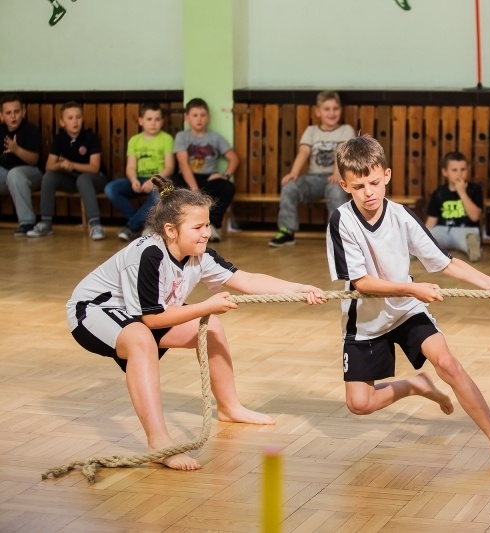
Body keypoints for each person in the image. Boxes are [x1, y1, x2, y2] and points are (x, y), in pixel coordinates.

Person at [67, 176, 327, 470]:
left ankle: (229, 408)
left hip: (139, 314)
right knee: (141, 339)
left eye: (207, 225)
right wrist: (206, 305)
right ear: (170, 230)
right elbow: (151, 319)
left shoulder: (199, 255)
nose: (206, 233)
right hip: (93, 311)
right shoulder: (149, 254)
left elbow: (247, 280)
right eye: (198, 227)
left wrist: (298, 289)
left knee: (211, 326)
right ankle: (159, 442)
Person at [326, 134, 490, 476]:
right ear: (344, 185)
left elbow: (445, 263)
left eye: (373, 182)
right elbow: (362, 284)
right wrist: (412, 288)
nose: (368, 192)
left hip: (406, 310)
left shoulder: (402, 216)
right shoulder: (341, 221)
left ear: (386, 175)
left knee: (449, 364)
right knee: (359, 404)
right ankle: (415, 385)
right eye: (358, 186)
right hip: (366, 321)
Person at [269, 91, 355, 247]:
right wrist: (294, 173)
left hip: (338, 177)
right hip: (314, 178)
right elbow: (304, 152)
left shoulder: (346, 130)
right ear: (318, 111)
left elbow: (343, 153)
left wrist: (337, 173)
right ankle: (287, 231)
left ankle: (338, 235)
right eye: (327, 109)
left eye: (335, 108)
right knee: (289, 187)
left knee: (336, 190)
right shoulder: (311, 131)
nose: (332, 113)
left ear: (341, 110)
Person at [27, 101, 108, 240]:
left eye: (78, 117)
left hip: (95, 179)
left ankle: (96, 225)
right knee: (49, 177)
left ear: (83, 119)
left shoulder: (90, 138)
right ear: (62, 122)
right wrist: (62, 165)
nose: (75, 121)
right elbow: (49, 166)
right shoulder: (60, 139)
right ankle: (46, 223)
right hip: (72, 180)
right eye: (70, 118)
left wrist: (73, 164)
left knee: (83, 179)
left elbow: (94, 168)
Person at [104, 102, 175, 242]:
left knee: (161, 194)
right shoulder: (135, 141)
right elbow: (130, 167)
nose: (153, 123)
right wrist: (133, 180)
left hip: (160, 180)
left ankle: (131, 226)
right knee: (110, 189)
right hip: (139, 179)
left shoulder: (166, 139)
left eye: (157, 119)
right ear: (141, 121)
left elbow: (169, 167)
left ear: (162, 122)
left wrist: (153, 180)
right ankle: (143, 225)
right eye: (149, 119)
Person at [174, 98, 239, 243]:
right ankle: (181, 228)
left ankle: (212, 225)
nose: (199, 119)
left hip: (208, 178)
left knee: (228, 188)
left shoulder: (215, 137)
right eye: (195, 115)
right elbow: (183, 164)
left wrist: (225, 175)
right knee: (173, 186)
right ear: (187, 118)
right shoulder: (182, 136)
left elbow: (234, 158)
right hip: (187, 177)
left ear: (208, 118)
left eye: (203, 115)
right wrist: (195, 190)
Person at [425, 151, 483, 262]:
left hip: (465, 230)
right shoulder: (439, 192)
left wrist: (462, 193)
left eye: (463, 170)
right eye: (454, 170)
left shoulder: (474, 190)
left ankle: (473, 248)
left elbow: (475, 217)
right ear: (445, 172)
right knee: (429, 236)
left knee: (470, 237)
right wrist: (422, 235)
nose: (459, 174)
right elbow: (432, 220)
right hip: (444, 230)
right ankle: (414, 250)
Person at [0, 94, 43, 236]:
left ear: (23, 112)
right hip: (7, 176)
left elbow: (34, 160)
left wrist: (16, 150)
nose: (13, 116)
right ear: (1, 116)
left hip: (33, 174)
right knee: (11, 175)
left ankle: (27, 223)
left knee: (15, 174)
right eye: (8, 113)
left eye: (16, 112)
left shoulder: (30, 130)